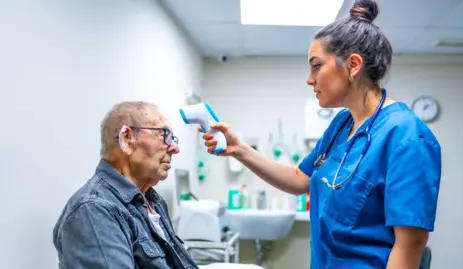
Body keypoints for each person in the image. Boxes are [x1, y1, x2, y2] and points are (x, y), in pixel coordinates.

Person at [199, 0, 442, 268]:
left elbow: (410, 245)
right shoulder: (341, 124)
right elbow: (300, 179)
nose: (309, 79)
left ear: (353, 65)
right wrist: (239, 150)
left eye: (316, 66)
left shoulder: (407, 137)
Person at [53, 101, 198, 269]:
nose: (174, 148)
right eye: (163, 134)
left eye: (172, 138)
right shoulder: (95, 209)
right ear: (127, 139)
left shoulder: (154, 201)